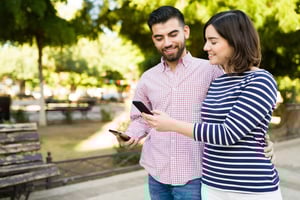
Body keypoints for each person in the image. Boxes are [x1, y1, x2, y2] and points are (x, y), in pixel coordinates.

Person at [142, 10, 282, 200]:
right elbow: (219, 122)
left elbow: (228, 132)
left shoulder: (260, 79)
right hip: (212, 185)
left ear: (236, 40)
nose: (206, 47)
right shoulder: (219, 80)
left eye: (213, 42)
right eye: (207, 40)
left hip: (250, 189)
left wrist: (171, 125)